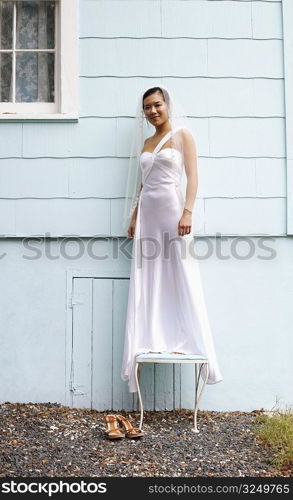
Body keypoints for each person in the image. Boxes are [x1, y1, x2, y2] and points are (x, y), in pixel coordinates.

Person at [121, 84, 223, 393]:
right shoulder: (147, 142)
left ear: (167, 105)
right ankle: (150, 336)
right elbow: (144, 183)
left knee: (179, 272)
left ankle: (188, 339)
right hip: (148, 218)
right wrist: (135, 215)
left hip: (173, 214)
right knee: (148, 274)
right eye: (147, 107)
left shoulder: (182, 135)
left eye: (157, 105)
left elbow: (193, 177)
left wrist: (188, 212)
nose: (152, 111)